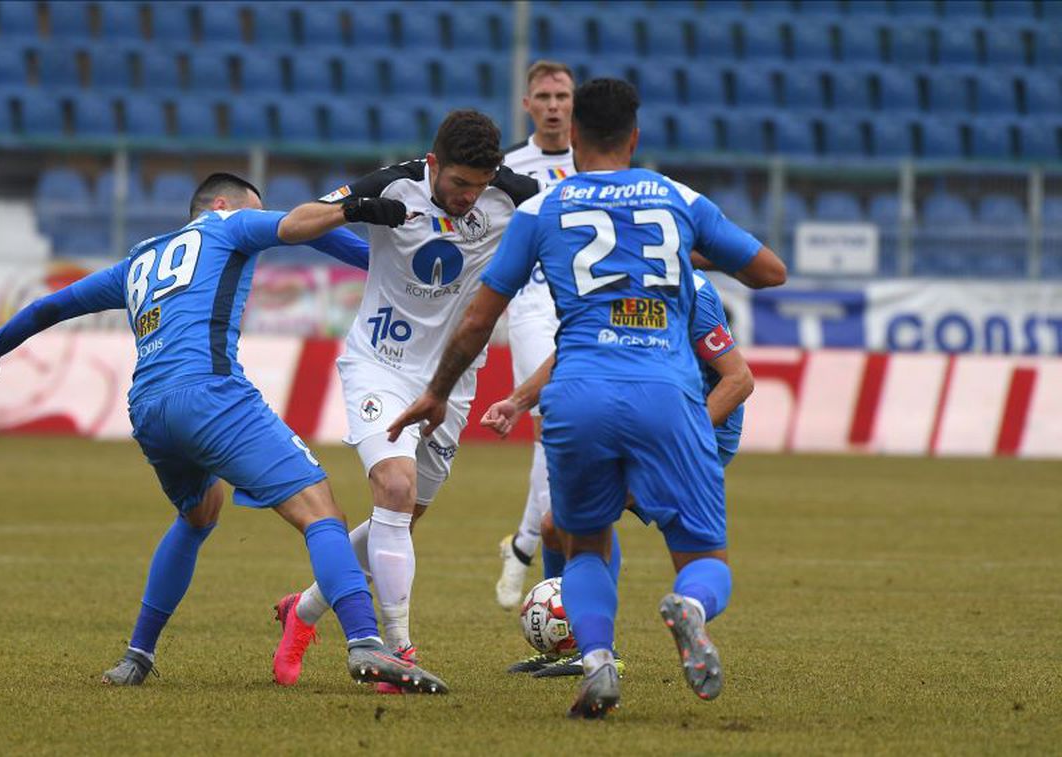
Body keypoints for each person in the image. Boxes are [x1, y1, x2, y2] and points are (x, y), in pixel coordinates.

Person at [0, 173, 447, 694]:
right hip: (208, 393)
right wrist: (367, 237)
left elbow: (54, 304)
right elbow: (302, 226)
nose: (264, 222)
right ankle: (366, 642)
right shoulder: (229, 224)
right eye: (257, 211)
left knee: (199, 512)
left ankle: (136, 656)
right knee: (323, 513)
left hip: (149, 409)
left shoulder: (138, 259)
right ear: (223, 204)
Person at [386, 79, 787, 718]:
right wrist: (680, 258)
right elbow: (770, 272)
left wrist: (438, 392)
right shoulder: (677, 197)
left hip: (576, 396)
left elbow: (477, 319)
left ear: (571, 139)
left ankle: (596, 661)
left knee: (584, 542)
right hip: (666, 393)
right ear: (634, 137)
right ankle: (689, 605)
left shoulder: (543, 209)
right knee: (704, 558)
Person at [271, 111, 539, 690]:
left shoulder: (513, 196)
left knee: (397, 521)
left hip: (450, 382)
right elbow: (294, 226)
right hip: (379, 367)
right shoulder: (393, 184)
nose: (470, 197)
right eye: (459, 183)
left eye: (481, 185)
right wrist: (356, 210)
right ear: (434, 164)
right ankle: (400, 653)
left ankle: (306, 610)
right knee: (393, 489)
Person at [483, 269, 754, 677]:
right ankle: (579, 643)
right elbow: (569, 352)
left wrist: (686, 436)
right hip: (640, 416)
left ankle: (598, 650)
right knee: (555, 527)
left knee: (575, 522)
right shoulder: (605, 283)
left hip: (698, 426)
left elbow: (738, 379)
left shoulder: (692, 290)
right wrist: (518, 402)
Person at [496, 60, 579, 612]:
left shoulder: (596, 163)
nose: (553, 105)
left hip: (583, 305)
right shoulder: (505, 169)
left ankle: (525, 544)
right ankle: (545, 559)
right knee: (553, 419)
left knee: (558, 432)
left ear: (575, 104)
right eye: (544, 96)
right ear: (527, 104)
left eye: (563, 96)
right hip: (529, 304)